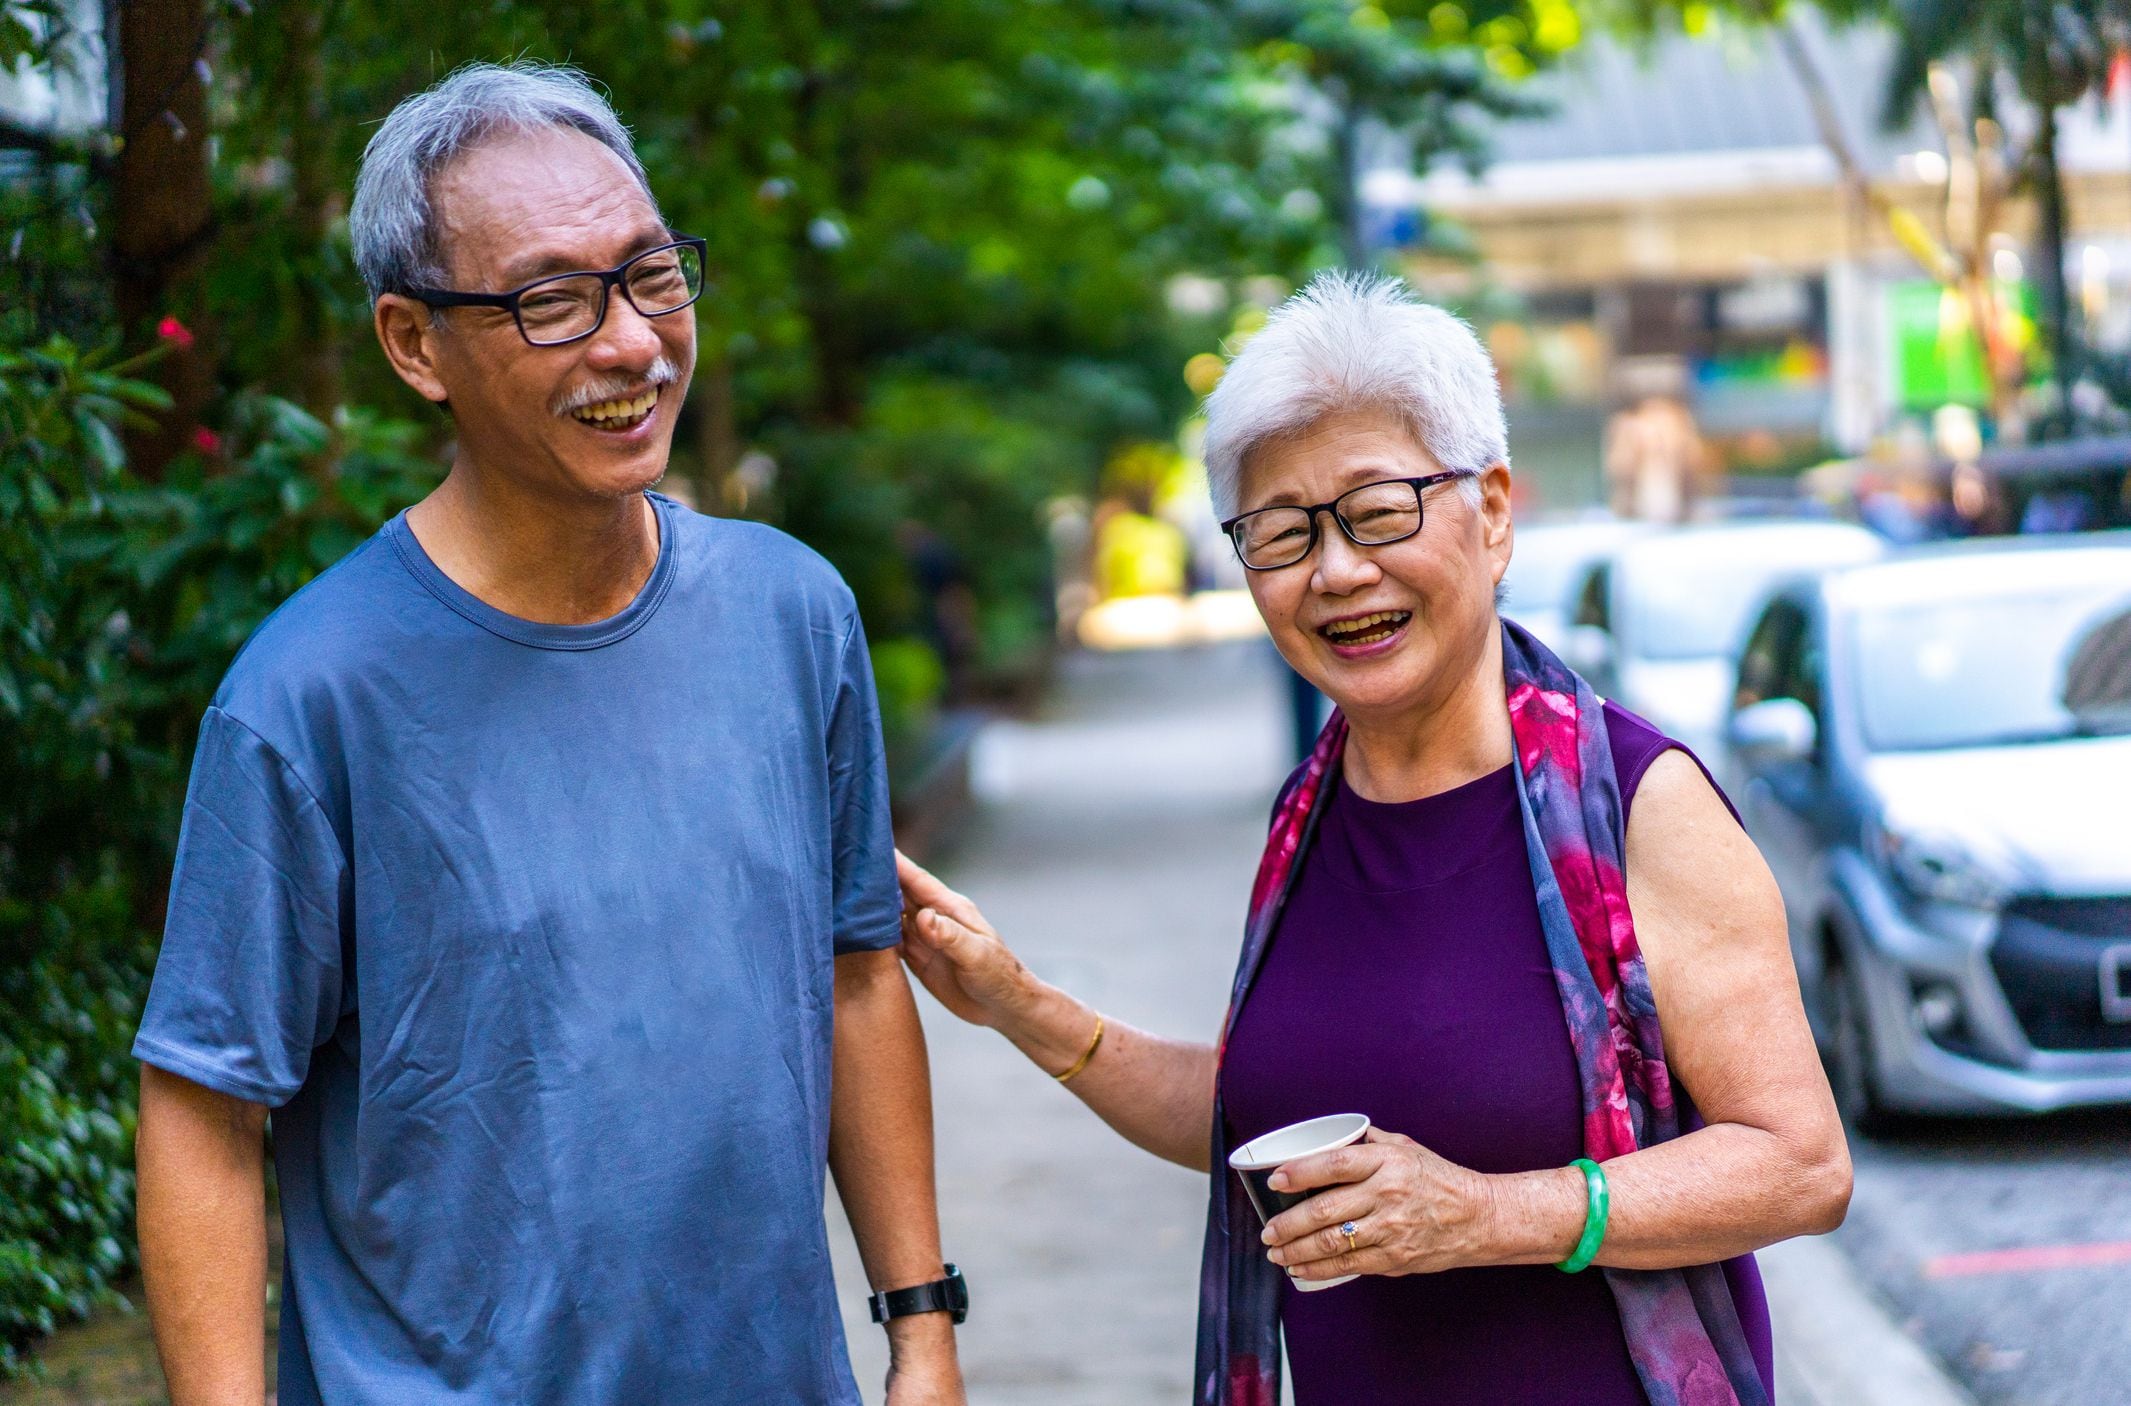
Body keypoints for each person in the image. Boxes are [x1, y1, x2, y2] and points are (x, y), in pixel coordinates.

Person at [130, 62, 965, 1406]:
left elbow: (854, 972)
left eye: (649, 274)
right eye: (551, 301)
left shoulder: (792, 613)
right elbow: (202, 1109)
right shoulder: (309, 694)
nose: (631, 344)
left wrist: (920, 1324)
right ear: (414, 345)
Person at [894, 274, 1850, 1406]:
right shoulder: (1310, 812)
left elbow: (1799, 1163)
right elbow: (1268, 1120)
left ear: (1491, 511)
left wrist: (1493, 1212)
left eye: (1379, 508)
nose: (1336, 570)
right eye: (1281, 532)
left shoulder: (1639, 803)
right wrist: (1016, 1001)